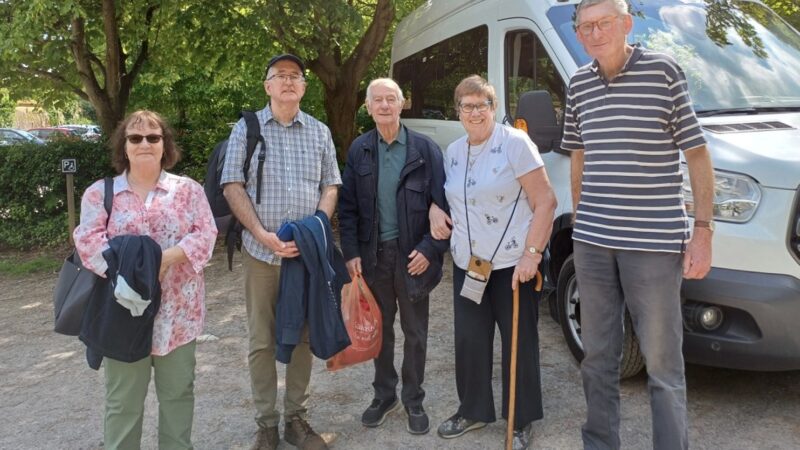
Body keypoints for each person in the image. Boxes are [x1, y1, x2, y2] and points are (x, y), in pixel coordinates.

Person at [561, 1, 716, 448]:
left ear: (626, 24)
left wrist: (702, 231)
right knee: (597, 357)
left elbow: (698, 153)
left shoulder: (663, 72)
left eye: (603, 23)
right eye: (585, 26)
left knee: (663, 365)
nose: (593, 33)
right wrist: (581, 216)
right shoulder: (578, 84)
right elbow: (578, 154)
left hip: (652, 244)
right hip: (592, 242)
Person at [73, 110, 217, 449]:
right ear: (124, 146)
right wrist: (134, 273)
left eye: (153, 137)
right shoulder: (100, 193)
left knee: (178, 397)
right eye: (135, 138)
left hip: (177, 316)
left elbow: (206, 234)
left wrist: (166, 259)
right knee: (123, 403)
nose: (144, 143)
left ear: (164, 145)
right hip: (123, 314)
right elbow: (88, 242)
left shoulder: (188, 191)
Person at [429, 75, 557, 450]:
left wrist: (532, 255)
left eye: (481, 105)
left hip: (513, 267)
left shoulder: (516, 143)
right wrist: (435, 210)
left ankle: (520, 420)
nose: (474, 112)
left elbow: (545, 202)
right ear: (458, 112)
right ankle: (472, 410)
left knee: (519, 343)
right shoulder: (453, 151)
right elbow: (447, 196)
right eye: (466, 106)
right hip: (471, 266)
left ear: (493, 108)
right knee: (470, 340)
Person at [221, 53, 340, 450]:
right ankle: (266, 424)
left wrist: (319, 226)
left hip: (304, 254)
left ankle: (296, 419)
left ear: (304, 87)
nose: (288, 81)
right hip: (262, 252)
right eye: (280, 76)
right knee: (261, 340)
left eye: (295, 76)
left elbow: (331, 185)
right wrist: (261, 233)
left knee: (304, 335)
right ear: (267, 86)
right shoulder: (247, 128)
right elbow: (232, 184)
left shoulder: (320, 132)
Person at [338, 78, 448, 435]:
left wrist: (430, 251)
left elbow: (443, 207)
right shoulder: (359, 151)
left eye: (391, 100)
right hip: (373, 259)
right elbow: (349, 207)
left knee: (415, 333)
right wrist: (351, 252)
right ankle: (385, 395)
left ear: (403, 104)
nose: (384, 106)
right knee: (380, 332)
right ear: (368, 108)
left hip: (413, 257)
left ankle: (414, 398)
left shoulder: (425, 150)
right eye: (377, 101)